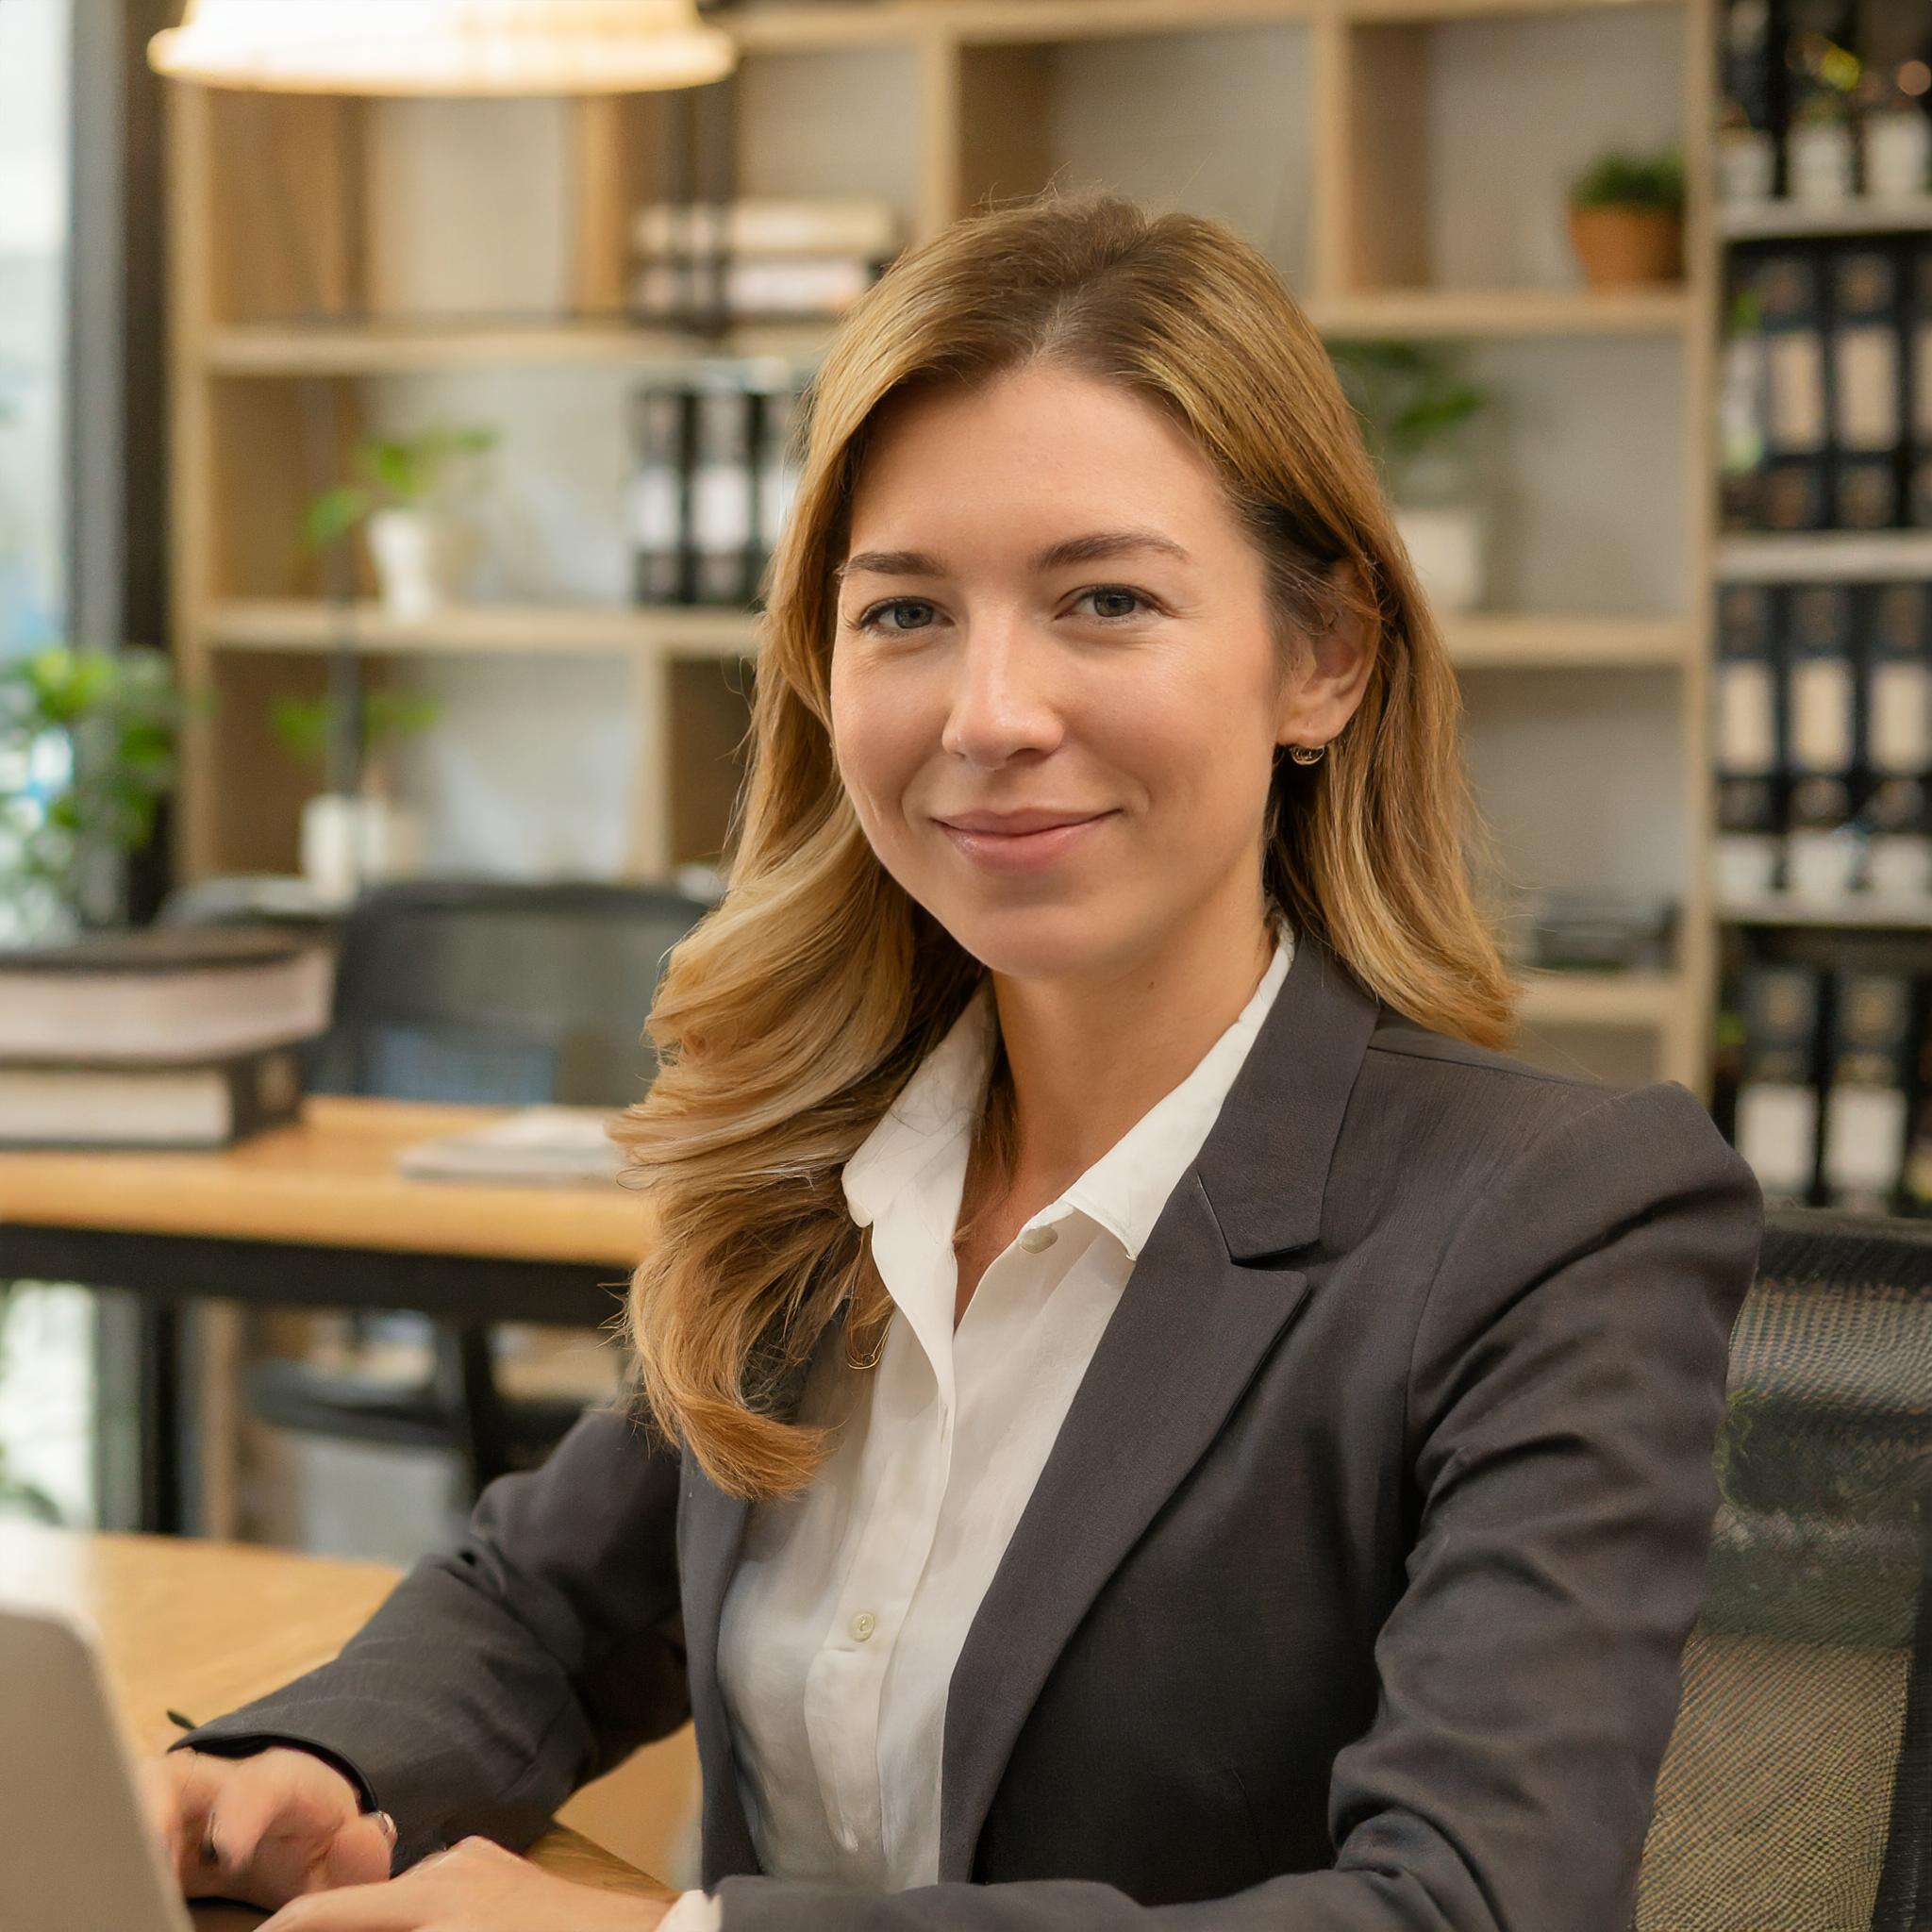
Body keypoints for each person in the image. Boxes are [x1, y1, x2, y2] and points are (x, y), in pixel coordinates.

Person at [142, 190, 1764, 1932]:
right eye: (908, 613)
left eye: (1107, 600)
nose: (990, 713)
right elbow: (542, 1604)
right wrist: (313, 1767)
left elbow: (1465, 1911)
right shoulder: (829, 1156)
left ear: (1327, 659)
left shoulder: (1549, 1225)